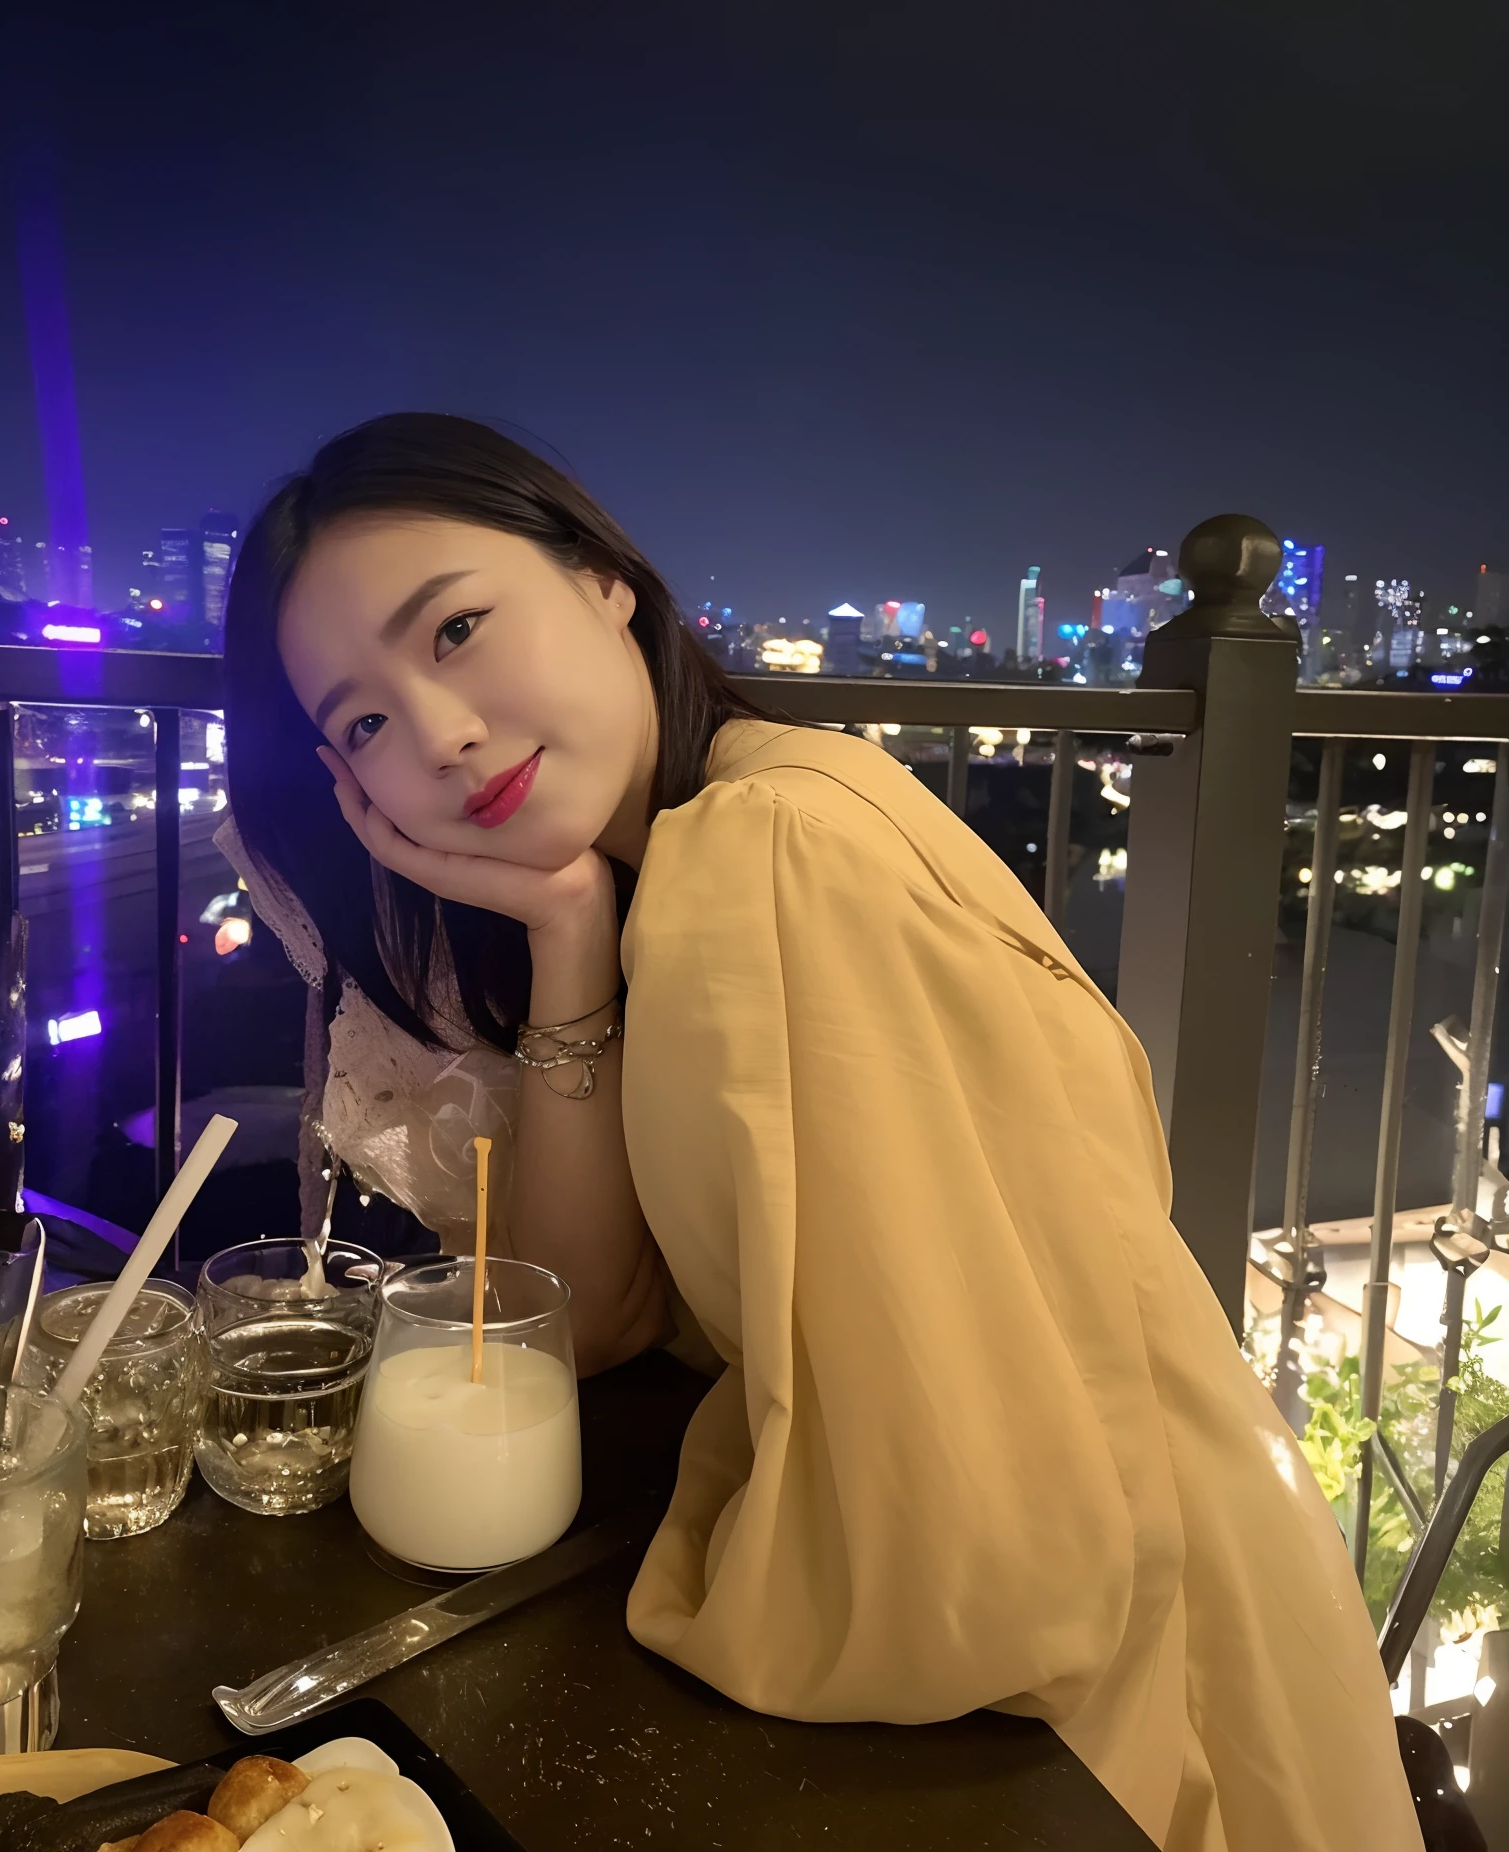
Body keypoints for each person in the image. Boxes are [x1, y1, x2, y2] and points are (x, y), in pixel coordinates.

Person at [224, 412, 1422, 1852]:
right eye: (362, 722)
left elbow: (971, 1569)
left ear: (605, 577)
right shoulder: (698, 841)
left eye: (460, 628)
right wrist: (565, 932)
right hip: (1165, 1552)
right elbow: (582, 1322)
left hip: (1127, 1697)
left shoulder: (766, 858)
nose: (439, 733)